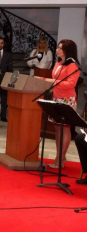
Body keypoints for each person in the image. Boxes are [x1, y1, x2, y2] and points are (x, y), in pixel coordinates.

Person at [43, 40, 80, 169]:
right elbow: (56, 80)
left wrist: (52, 81)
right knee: (57, 128)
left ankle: (60, 159)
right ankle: (60, 157)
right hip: (56, 98)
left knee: (64, 128)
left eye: (60, 48)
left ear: (67, 51)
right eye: (58, 48)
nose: (57, 50)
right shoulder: (59, 63)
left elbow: (71, 84)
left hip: (66, 99)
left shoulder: (73, 66)